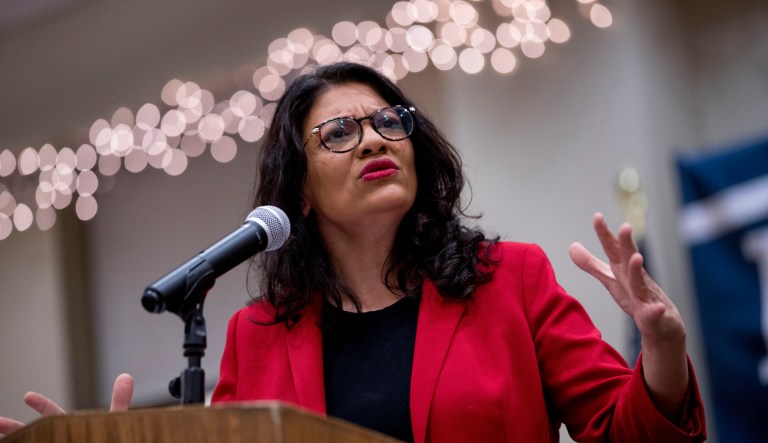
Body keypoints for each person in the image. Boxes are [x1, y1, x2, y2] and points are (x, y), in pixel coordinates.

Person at [0, 61, 706, 442]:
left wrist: (665, 355)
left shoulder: (509, 280)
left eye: (388, 122)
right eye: (338, 133)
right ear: (300, 193)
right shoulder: (256, 336)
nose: (372, 139)